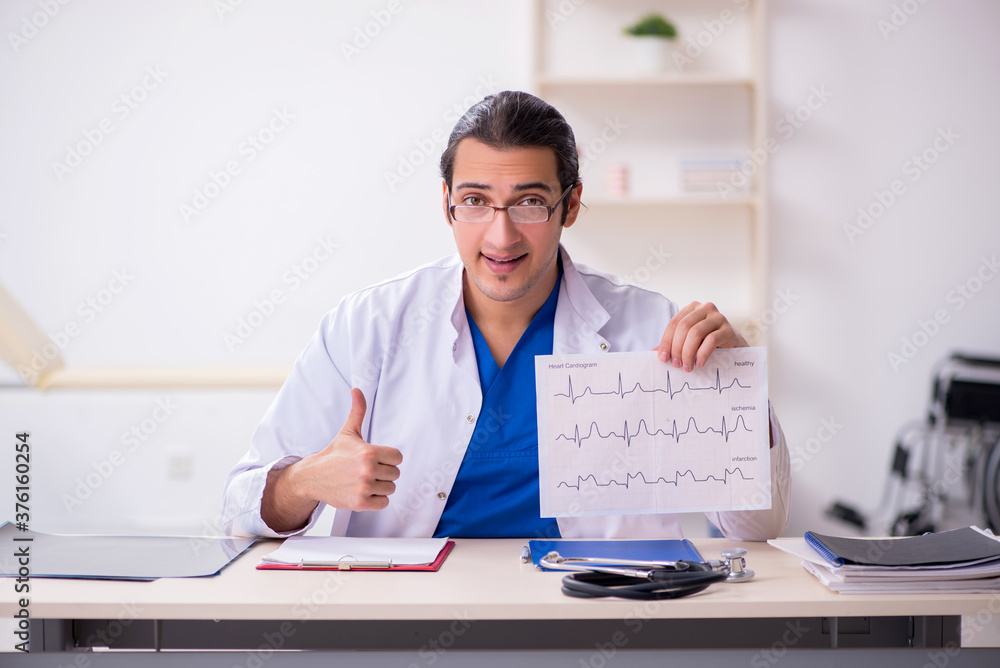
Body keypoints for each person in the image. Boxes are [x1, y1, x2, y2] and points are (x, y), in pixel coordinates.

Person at [221, 91, 790, 540]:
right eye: (475, 201)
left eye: (528, 201)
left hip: (601, 616)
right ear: (446, 202)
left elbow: (757, 528)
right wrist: (305, 483)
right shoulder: (365, 326)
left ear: (569, 205)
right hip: (406, 620)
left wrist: (739, 383)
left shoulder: (650, 327)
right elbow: (238, 506)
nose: (501, 235)